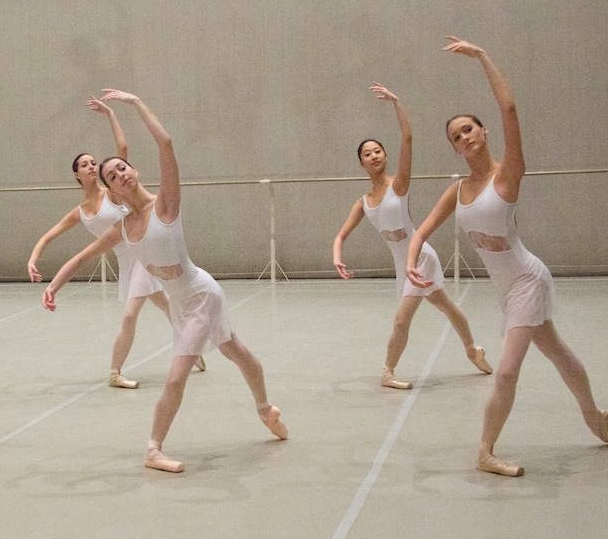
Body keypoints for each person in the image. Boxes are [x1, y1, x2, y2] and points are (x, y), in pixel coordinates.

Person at [42, 90, 288, 473]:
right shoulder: (122, 227)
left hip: (201, 295)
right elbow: (81, 257)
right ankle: (265, 408)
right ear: (110, 189)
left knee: (176, 377)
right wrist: (53, 286)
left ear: (133, 171)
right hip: (181, 304)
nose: (119, 175)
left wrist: (135, 103)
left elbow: (167, 143)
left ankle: (153, 449)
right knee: (234, 350)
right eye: (111, 176)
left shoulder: (165, 204)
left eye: (122, 168)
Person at [407, 37, 608, 477]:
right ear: (455, 149)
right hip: (506, 288)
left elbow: (509, 109)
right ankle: (594, 416)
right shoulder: (457, 191)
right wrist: (413, 259)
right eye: (455, 136)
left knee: (505, 372)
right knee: (558, 351)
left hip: (526, 279)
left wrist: (483, 57)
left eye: (469, 129)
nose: (464, 137)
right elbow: (423, 228)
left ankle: (484, 451)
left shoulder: (508, 176)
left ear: (484, 133)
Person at [28, 96, 202, 389]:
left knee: (140, 312)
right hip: (128, 262)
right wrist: (34, 260)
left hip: (142, 253)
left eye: (95, 163)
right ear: (76, 174)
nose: (92, 166)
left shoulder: (113, 193)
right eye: (85, 164)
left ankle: (117, 371)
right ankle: (188, 348)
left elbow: (122, 150)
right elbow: (51, 237)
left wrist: (110, 112)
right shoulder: (80, 212)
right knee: (164, 305)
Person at [333, 83, 492, 389]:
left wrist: (396, 102)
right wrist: (338, 258)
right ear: (361, 162)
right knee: (447, 306)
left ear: (386, 156)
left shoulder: (399, 185)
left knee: (401, 321)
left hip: (420, 259)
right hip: (401, 265)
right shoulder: (363, 203)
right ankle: (473, 350)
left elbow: (407, 138)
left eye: (378, 151)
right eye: (367, 154)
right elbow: (341, 236)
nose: (374, 156)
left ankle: (388, 372)